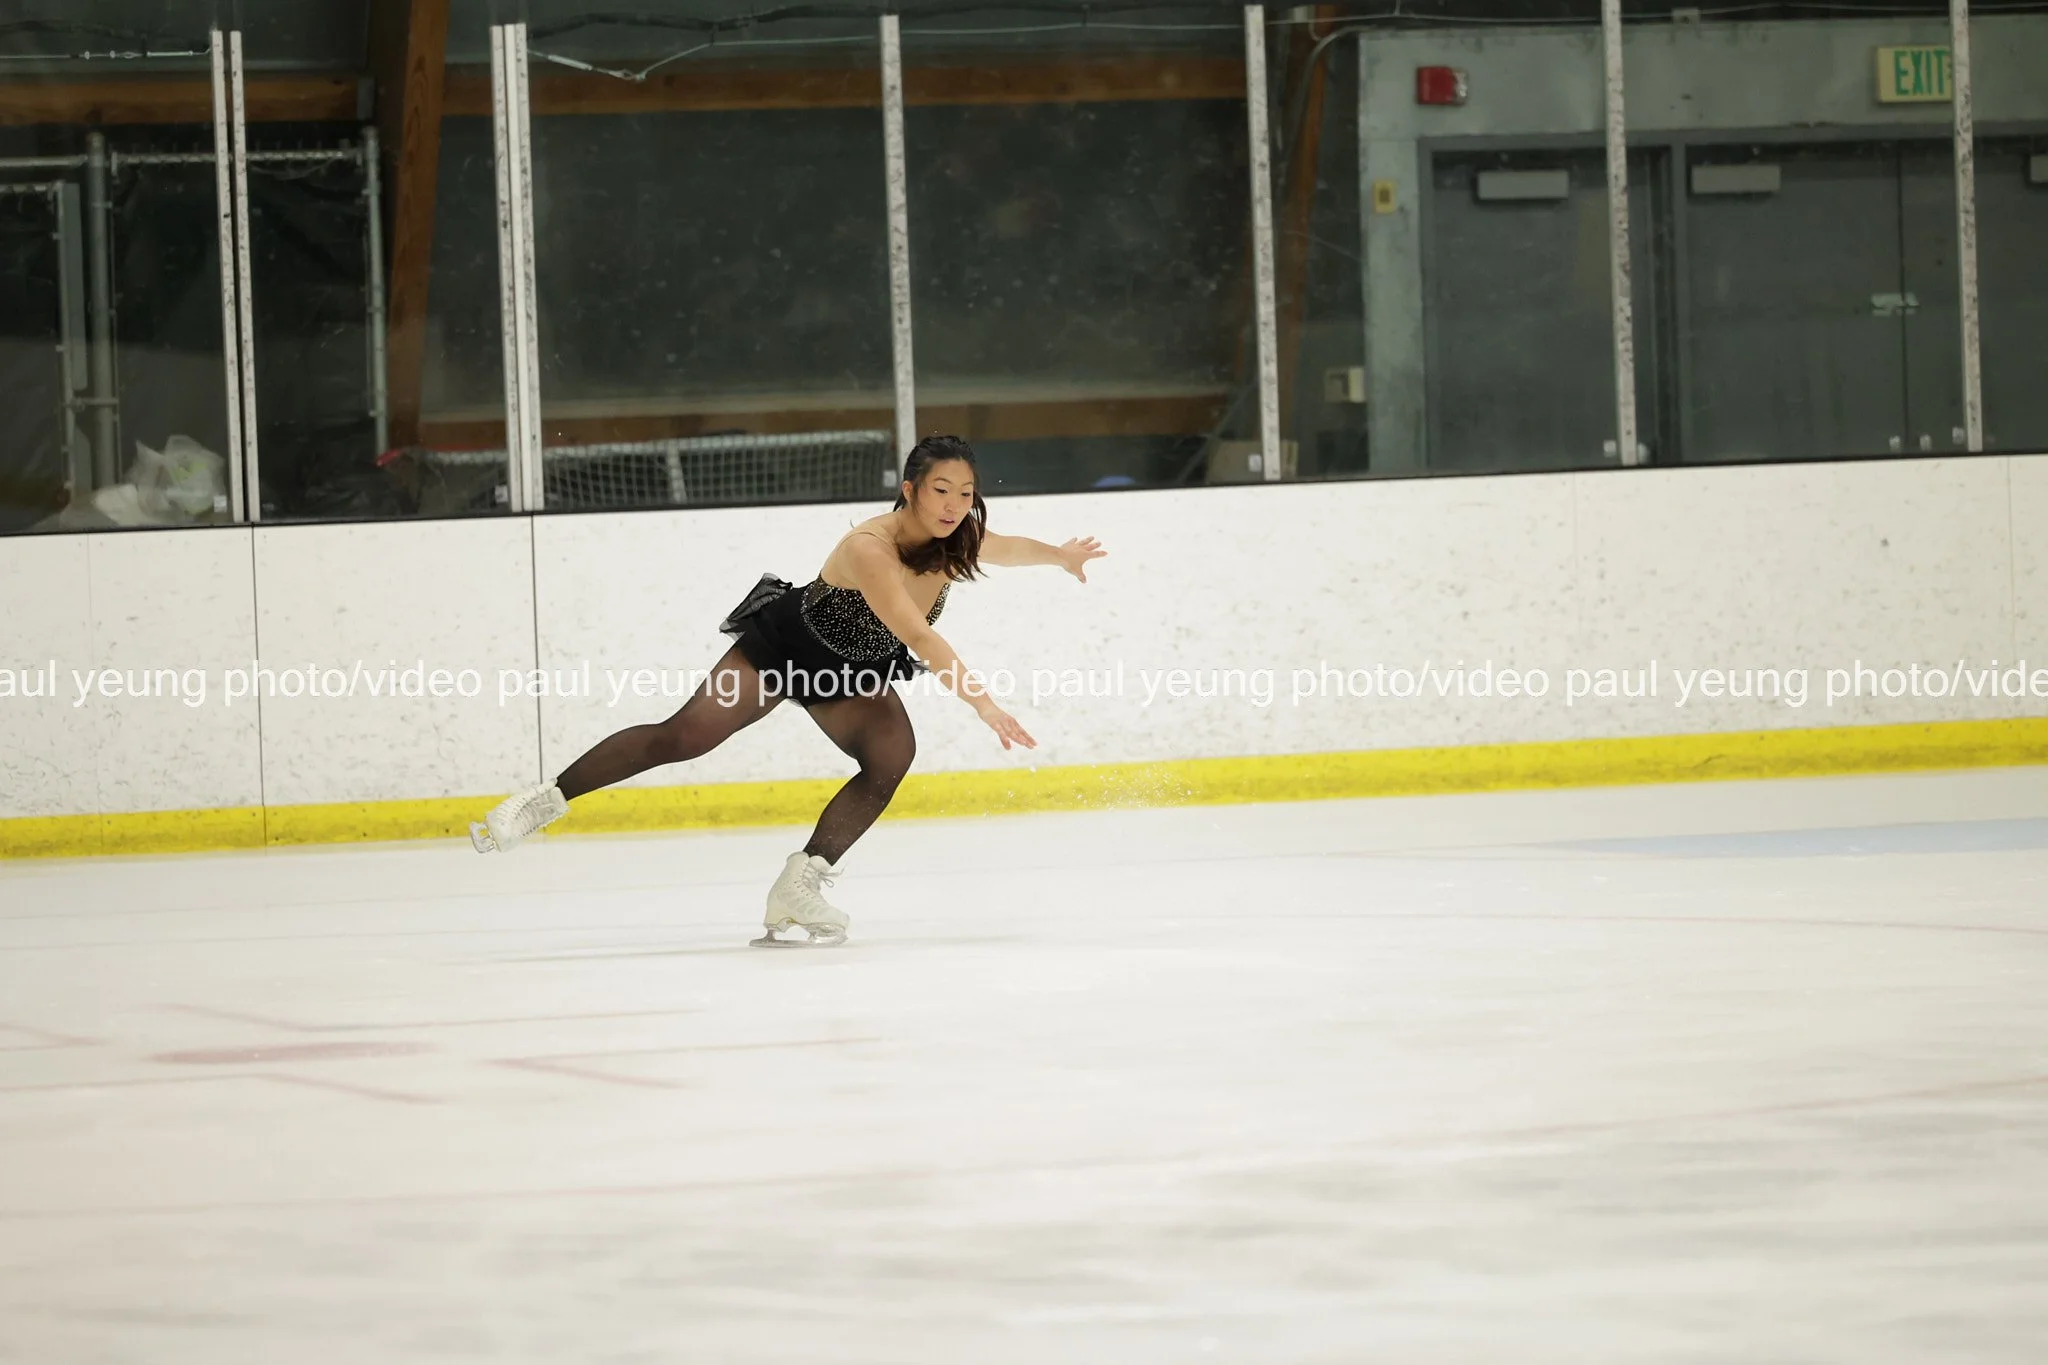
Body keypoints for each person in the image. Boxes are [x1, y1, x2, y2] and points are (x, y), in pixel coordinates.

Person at [470, 434, 1107, 947]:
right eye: (941, 490)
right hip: (785, 651)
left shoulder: (957, 536)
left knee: (891, 757)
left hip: (852, 672)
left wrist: (1060, 555)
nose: (954, 505)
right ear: (910, 489)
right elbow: (917, 634)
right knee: (684, 738)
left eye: (966, 493)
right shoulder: (870, 548)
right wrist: (983, 704)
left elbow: (1009, 548)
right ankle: (542, 801)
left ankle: (800, 883)